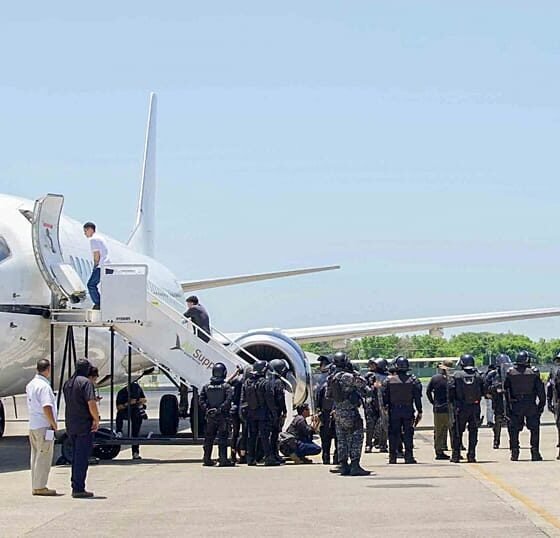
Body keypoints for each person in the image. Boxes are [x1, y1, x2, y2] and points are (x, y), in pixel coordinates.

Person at [327, 352, 371, 476]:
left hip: (338, 412)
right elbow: (363, 383)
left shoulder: (331, 377)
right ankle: (355, 465)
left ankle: (343, 465)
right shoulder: (346, 376)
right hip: (350, 412)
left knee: (342, 439)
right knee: (357, 436)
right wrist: (354, 373)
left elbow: (328, 395)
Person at [62, 358, 100, 498]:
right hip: (84, 425)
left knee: (76, 457)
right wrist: (96, 419)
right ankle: (78, 488)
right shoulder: (85, 382)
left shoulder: (68, 383)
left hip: (71, 424)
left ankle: (75, 484)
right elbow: (91, 403)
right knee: (82, 458)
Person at [504, 350, 545, 461]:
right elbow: (541, 391)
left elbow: (506, 391)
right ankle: (535, 452)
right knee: (534, 429)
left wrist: (508, 407)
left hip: (515, 404)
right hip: (530, 404)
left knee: (513, 430)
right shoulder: (534, 372)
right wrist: (540, 407)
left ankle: (515, 452)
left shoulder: (510, 373)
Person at [26, 359, 58, 496]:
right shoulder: (44, 386)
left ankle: (36, 484)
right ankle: (40, 486)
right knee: (44, 456)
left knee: (35, 456)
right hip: (44, 425)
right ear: (48, 369)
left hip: (33, 425)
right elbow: (47, 407)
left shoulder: (31, 384)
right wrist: (54, 424)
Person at [383, 356, 422, 464]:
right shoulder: (413, 380)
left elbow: (384, 397)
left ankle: (392, 457)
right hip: (408, 410)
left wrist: (385, 408)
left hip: (394, 410)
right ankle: (409, 456)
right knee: (408, 433)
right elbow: (417, 398)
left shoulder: (388, 380)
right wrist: (420, 410)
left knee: (393, 434)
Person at [241, 360, 279, 466]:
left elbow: (243, 399)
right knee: (264, 436)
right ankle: (268, 458)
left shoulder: (247, 382)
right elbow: (270, 400)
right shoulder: (265, 383)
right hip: (263, 413)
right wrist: (274, 414)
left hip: (251, 413)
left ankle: (250, 458)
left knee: (252, 436)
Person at [448, 353, 484, 463]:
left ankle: (456, 455)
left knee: (457, 432)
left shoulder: (456, 375)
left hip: (460, 408)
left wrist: (453, 402)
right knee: (473, 432)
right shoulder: (478, 376)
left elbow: (450, 391)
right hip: (474, 407)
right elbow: (484, 391)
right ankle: (471, 455)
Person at [199, 363, 235, 467]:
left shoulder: (206, 387)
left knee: (209, 438)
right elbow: (228, 400)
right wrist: (219, 410)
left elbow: (201, 400)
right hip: (223, 416)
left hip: (210, 416)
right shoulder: (226, 387)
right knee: (222, 438)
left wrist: (208, 410)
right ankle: (223, 459)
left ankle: (207, 458)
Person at [426, 359, 454, 460]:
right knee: (453, 431)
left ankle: (439, 451)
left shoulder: (435, 378)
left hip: (438, 408)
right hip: (451, 408)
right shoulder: (452, 379)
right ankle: (455, 451)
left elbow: (428, 391)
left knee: (439, 431)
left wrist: (433, 402)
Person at [485, 354, 512, 449]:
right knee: (498, 422)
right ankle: (496, 441)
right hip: (498, 400)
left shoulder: (510, 373)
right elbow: (486, 387)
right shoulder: (492, 374)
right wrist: (495, 389)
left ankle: (513, 441)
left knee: (511, 423)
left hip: (509, 401)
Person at [115, 380, 147, 460]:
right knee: (119, 415)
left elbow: (144, 399)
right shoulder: (122, 393)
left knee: (135, 433)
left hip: (136, 410)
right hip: (125, 410)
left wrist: (140, 401)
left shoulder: (138, 389)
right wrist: (128, 403)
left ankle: (135, 452)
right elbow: (119, 407)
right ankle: (119, 431)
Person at [315, 355, 337, 465]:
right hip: (326, 413)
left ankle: (335, 457)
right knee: (326, 438)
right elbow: (317, 398)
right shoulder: (321, 381)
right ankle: (327, 457)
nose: (322, 366)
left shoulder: (331, 382)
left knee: (337, 437)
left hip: (334, 413)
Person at [83, 222, 110, 310]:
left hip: (102, 266)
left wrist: (95, 266)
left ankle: (98, 304)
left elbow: (96, 255)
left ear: (90, 229)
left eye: (85, 231)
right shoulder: (100, 238)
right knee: (106, 287)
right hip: (108, 266)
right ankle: (103, 303)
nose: (85, 234)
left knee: (91, 285)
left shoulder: (93, 239)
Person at [267, 359, 288, 464]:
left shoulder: (267, 381)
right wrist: (284, 410)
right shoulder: (278, 382)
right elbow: (280, 398)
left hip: (267, 412)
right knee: (275, 434)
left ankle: (272, 454)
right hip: (276, 412)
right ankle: (274, 454)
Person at [372, 358, 389, 453]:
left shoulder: (384, 377)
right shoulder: (376, 376)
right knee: (382, 424)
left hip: (382, 403)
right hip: (378, 402)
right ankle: (381, 443)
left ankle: (382, 443)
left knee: (384, 424)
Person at [546, 352, 560, 459]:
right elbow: (550, 386)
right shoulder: (554, 371)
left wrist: (549, 401)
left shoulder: (553, 371)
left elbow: (549, 386)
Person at [364, 358, 379, 453]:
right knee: (370, 425)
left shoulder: (382, 374)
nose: (372, 366)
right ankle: (368, 444)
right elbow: (363, 388)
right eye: (371, 364)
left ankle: (379, 442)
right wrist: (371, 388)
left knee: (381, 424)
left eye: (374, 364)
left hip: (381, 403)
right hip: (370, 403)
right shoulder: (367, 376)